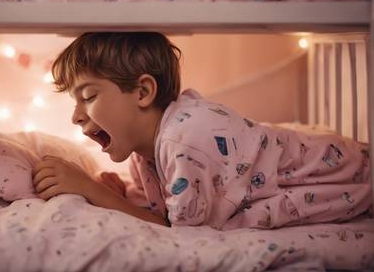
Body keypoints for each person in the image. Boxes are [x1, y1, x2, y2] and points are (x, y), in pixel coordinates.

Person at [32, 32, 372, 230]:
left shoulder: (189, 136)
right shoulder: (144, 152)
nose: (76, 117)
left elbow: (179, 232)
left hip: (355, 176)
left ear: (142, 92)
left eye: (88, 96)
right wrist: (122, 195)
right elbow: (164, 209)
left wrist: (93, 190)